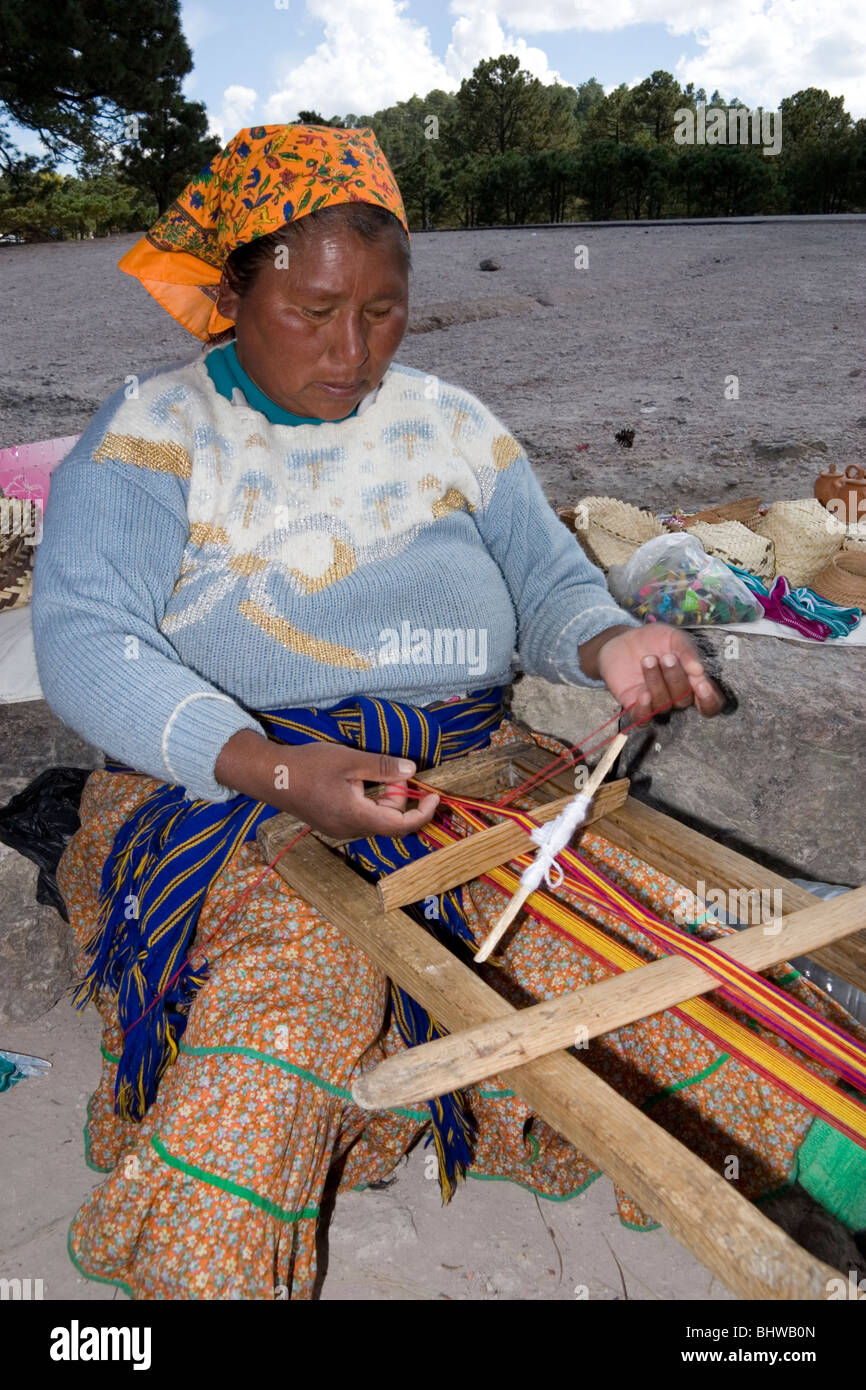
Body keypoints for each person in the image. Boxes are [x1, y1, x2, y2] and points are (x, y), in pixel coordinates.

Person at [32, 125, 865, 1299]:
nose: (351, 349)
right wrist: (274, 767)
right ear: (231, 291)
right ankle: (197, 1274)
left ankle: (829, 1173)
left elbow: (545, 583)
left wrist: (607, 637)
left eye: (381, 311)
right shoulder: (151, 435)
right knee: (303, 984)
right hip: (225, 787)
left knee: (658, 959)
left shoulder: (452, 425)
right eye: (312, 311)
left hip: (473, 772)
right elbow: (84, 639)